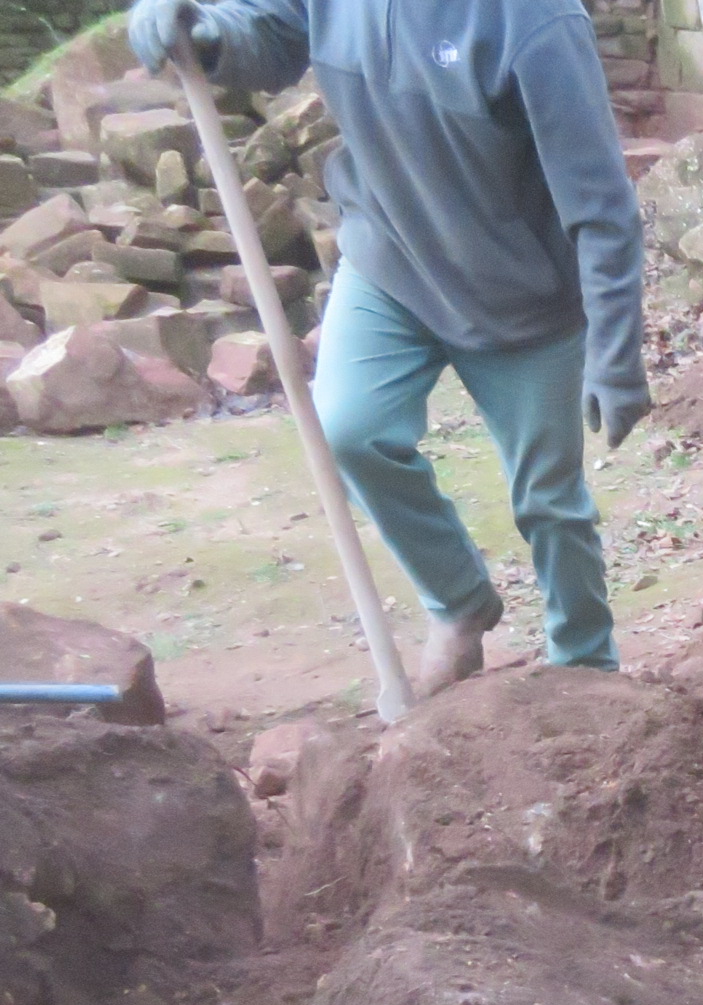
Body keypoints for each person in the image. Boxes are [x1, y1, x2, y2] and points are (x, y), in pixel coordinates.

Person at [130, 0, 649, 695]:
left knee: (549, 502)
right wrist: (211, 34)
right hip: (391, 261)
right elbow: (276, 33)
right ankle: (459, 602)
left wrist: (615, 353)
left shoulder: (536, 20)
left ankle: (586, 674)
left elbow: (602, 204)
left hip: (522, 298)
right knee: (349, 427)